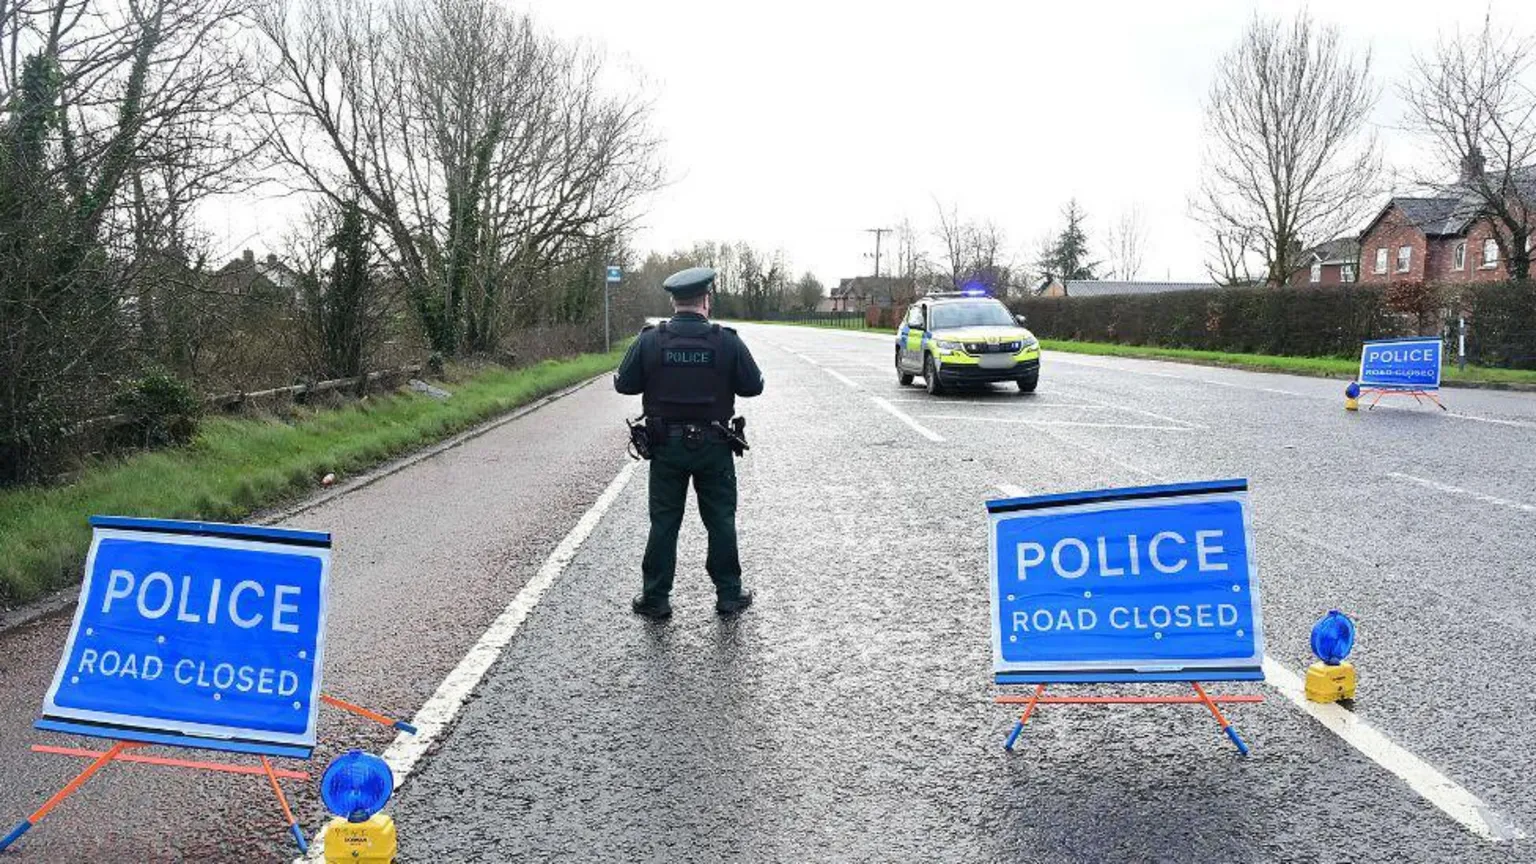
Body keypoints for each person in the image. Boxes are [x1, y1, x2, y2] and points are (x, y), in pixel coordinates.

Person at [614, 266, 764, 620]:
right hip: (714, 445)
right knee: (721, 520)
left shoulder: (651, 340)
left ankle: (656, 598)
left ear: (673, 301)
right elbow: (753, 386)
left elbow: (625, 384)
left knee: (665, 522)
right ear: (706, 300)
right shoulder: (726, 340)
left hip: (666, 446)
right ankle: (729, 595)